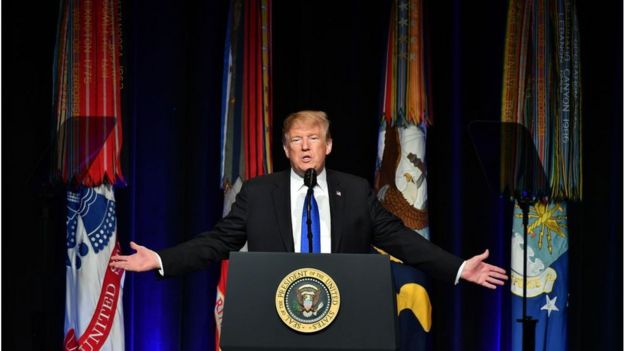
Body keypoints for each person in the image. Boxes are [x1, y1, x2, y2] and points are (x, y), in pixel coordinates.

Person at [111, 110, 507, 289]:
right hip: (275, 318)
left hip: (343, 318)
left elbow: (399, 239)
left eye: (313, 138)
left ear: (328, 146)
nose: (305, 147)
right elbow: (218, 241)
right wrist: (162, 259)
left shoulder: (353, 191)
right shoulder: (259, 192)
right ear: (285, 149)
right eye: (296, 140)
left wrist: (458, 268)